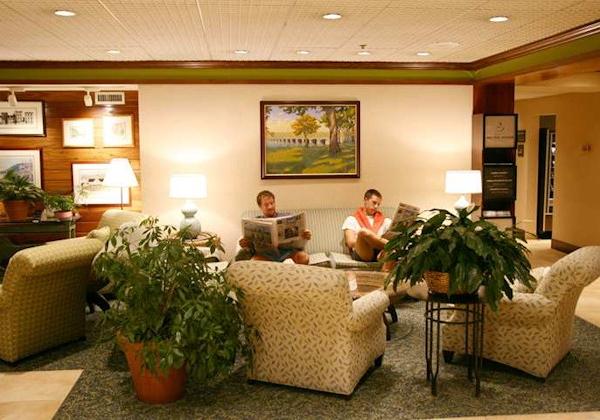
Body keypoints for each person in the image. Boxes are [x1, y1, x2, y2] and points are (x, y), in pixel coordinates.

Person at [239, 190, 312, 264]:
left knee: (304, 258)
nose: (270, 207)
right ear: (260, 207)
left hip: (287, 253)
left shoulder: (287, 217)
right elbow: (251, 246)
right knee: (253, 263)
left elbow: (299, 242)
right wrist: (245, 244)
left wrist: (305, 236)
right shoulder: (255, 222)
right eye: (266, 205)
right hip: (265, 255)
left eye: (272, 203)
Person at [342, 189, 391, 262]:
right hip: (363, 253)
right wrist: (369, 240)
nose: (376, 206)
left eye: (378, 204)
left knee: (392, 251)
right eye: (374, 203)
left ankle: (389, 247)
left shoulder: (385, 221)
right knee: (363, 232)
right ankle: (390, 245)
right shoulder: (351, 219)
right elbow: (350, 242)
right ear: (366, 200)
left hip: (380, 253)